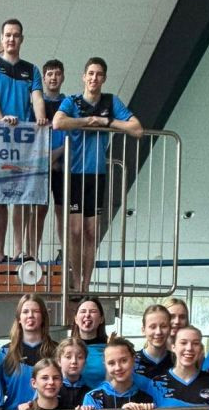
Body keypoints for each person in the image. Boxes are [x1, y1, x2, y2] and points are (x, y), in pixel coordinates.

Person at [53, 58, 142, 292]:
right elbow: (58, 122)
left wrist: (106, 122)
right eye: (91, 73)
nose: (94, 78)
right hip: (74, 174)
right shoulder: (72, 101)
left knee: (91, 232)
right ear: (84, 76)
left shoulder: (111, 102)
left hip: (97, 174)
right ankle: (75, 280)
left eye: (99, 74)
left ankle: (85, 284)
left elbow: (137, 129)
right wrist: (86, 121)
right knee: (74, 231)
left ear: (104, 78)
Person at [0, 18, 46, 263]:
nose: (11, 39)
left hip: (24, 143)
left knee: (22, 197)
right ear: (2, 38)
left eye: (15, 35)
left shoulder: (32, 70)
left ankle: (19, 250)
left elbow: (37, 98)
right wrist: (0, 121)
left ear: (21, 39)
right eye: (7, 35)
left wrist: (40, 119)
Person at [28, 58, 66, 258]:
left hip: (62, 165)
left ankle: (66, 253)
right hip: (40, 166)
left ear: (63, 77)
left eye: (57, 74)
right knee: (39, 211)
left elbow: (71, 136)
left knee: (62, 211)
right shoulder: (34, 105)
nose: (53, 78)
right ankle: (31, 255)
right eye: (50, 74)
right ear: (43, 78)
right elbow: (30, 137)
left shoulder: (68, 104)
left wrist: (57, 156)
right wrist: (45, 159)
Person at [71, 297, 108, 390]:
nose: (87, 315)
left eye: (93, 311)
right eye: (83, 311)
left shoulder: (110, 349)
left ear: (101, 319)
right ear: (76, 319)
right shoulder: (65, 349)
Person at [134, 303, 175, 379]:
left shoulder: (177, 361)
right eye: (153, 327)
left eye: (163, 326)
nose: (158, 332)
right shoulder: (131, 361)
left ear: (170, 329)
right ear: (143, 330)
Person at [55, 337, 90, 410]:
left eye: (79, 357)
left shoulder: (89, 393)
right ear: (59, 361)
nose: (74, 361)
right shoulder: (51, 388)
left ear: (85, 362)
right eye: (68, 357)